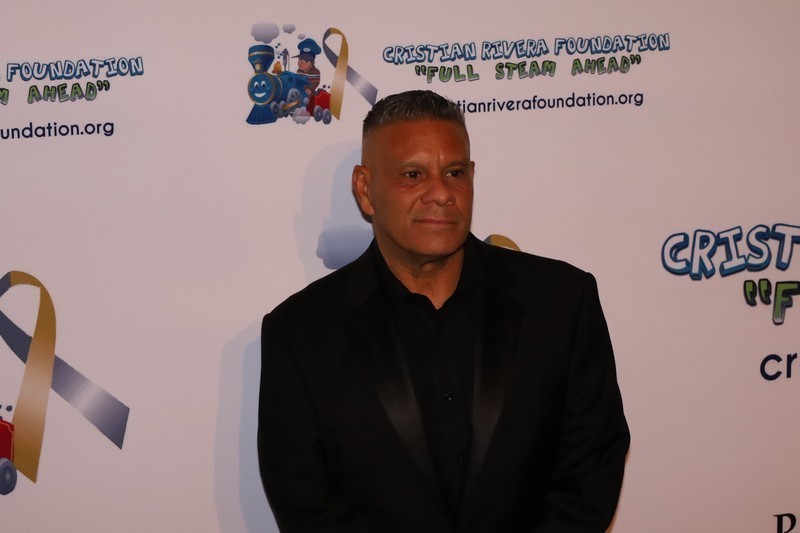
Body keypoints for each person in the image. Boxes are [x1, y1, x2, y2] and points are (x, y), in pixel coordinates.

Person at [258, 90, 630, 532]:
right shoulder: (300, 334)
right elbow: (305, 502)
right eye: (413, 175)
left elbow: (591, 469)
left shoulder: (562, 302)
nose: (441, 193)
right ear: (365, 189)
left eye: (454, 173)